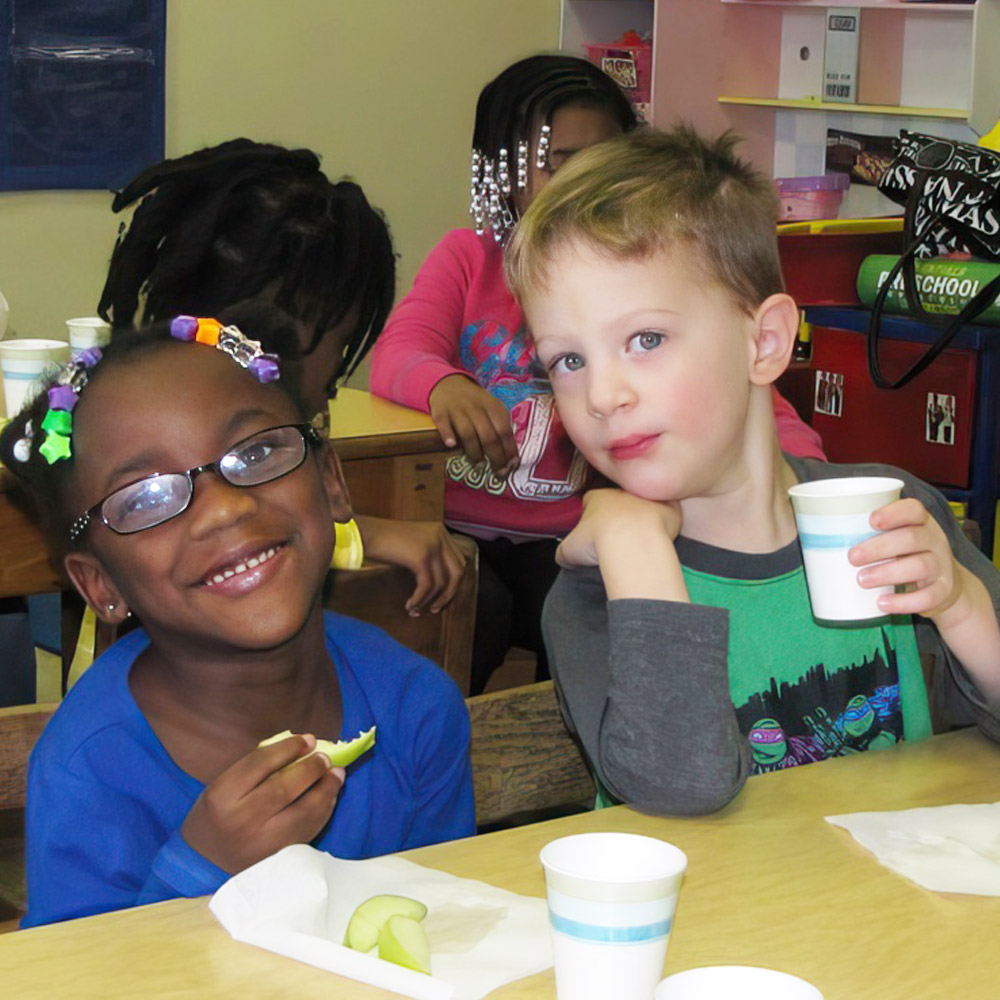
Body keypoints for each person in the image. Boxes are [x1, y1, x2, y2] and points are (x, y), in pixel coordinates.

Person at [503, 126, 1000, 816]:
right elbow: (684, 786)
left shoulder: (886, 513)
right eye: (569, 360)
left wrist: (960, 605)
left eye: (645, 340)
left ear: (763, 342)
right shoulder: (597, 593)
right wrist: (635, 547)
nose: (602, 396)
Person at [370, 55, 826, 694]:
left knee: (592, 620)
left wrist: (805, 483)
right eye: (559, 159)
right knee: (470, 613)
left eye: (604, 157)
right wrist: (444, 385)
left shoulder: (646, 285)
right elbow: (398, 354)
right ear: (501, 169)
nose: (583, 178)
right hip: (461, 527)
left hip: (574, 536)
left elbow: (756, 407)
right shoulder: (468, 259)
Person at [0, 314, 474, 927]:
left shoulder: (415, 707)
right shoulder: (88, 771)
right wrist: (201, 867)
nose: (224, 509)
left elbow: (452, 935)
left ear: (330, 482)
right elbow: (76, 980)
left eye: (253, 452)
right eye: (146, 497)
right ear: (101, 583)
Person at [97, 138, 466, 616]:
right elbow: (214, 538)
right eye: (342, 343)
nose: (337, 370)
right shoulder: (163, 436)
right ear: (281, 340)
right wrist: (366, 536)